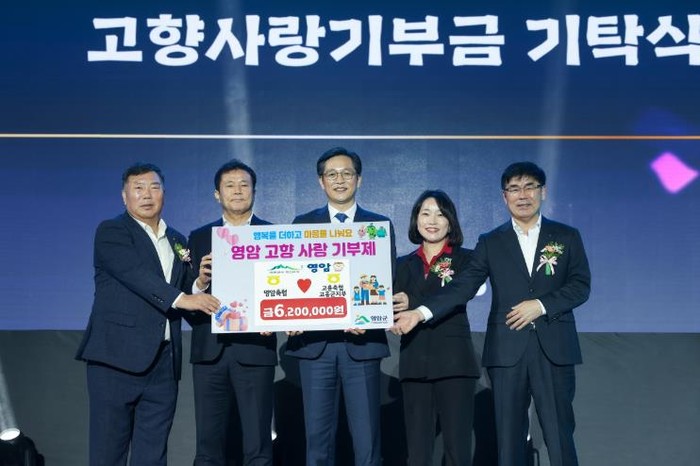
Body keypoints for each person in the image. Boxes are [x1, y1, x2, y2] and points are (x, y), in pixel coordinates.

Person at [394, 162, 591, 466]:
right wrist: (419, 313)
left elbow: (580, 286)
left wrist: (540, 305)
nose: (522, 195)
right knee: (508, 441)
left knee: (559, 434)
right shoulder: (491, 241)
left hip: (554, 348)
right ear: (504, 196)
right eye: (514, 189)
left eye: (529, 187)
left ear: (542, 192)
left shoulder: (566, 236)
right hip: (506, 352)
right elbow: (462, 287)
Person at [76, 162, 221, 466]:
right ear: (124, 196)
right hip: (115, 359)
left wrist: (199, 284)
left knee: (153, 455)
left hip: (164, 362)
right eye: (138, 188)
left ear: (164, 194)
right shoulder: (112, 231)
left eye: (154, 187)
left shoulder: (177, 240)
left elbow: (184, 290)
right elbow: (136, 275)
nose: (146, 194)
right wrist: (184, 298)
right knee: (108, 453)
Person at [286, 147, 396, 466]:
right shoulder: (302, 224)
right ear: (321, 182)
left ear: (358, 179)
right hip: (315, 346)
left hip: (361, 344)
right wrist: (291, 313)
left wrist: (370, 316)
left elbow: (385, 279)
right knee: (317, 442)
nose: (340, 180)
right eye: (331, 174)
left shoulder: (379, 225)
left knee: (367, 442)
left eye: (347, 173)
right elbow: (291, 278)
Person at [185, 159, 277, 466]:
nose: (237, 191)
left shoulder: (273, 235)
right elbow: (185, 297)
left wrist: (275, 317)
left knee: (258, 445)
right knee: (208, 446)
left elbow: (285, 288)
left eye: (244, 185)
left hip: (256, 350)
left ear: (254, 191)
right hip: (210, 353)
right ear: (217, 194)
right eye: (229, 185)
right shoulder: (199, 237)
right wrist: (201, 283)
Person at [391, 190, 480, 466]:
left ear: (450, 222)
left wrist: (414, 303)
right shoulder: (401, 264)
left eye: (440, 214)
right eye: (425, 213)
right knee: (417, 452)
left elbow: (458, 294)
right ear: (415, 220)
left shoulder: (467, 259)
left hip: (454, 363)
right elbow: (387, 305)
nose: (432, 221)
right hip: (414, 362)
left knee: (457, 449)